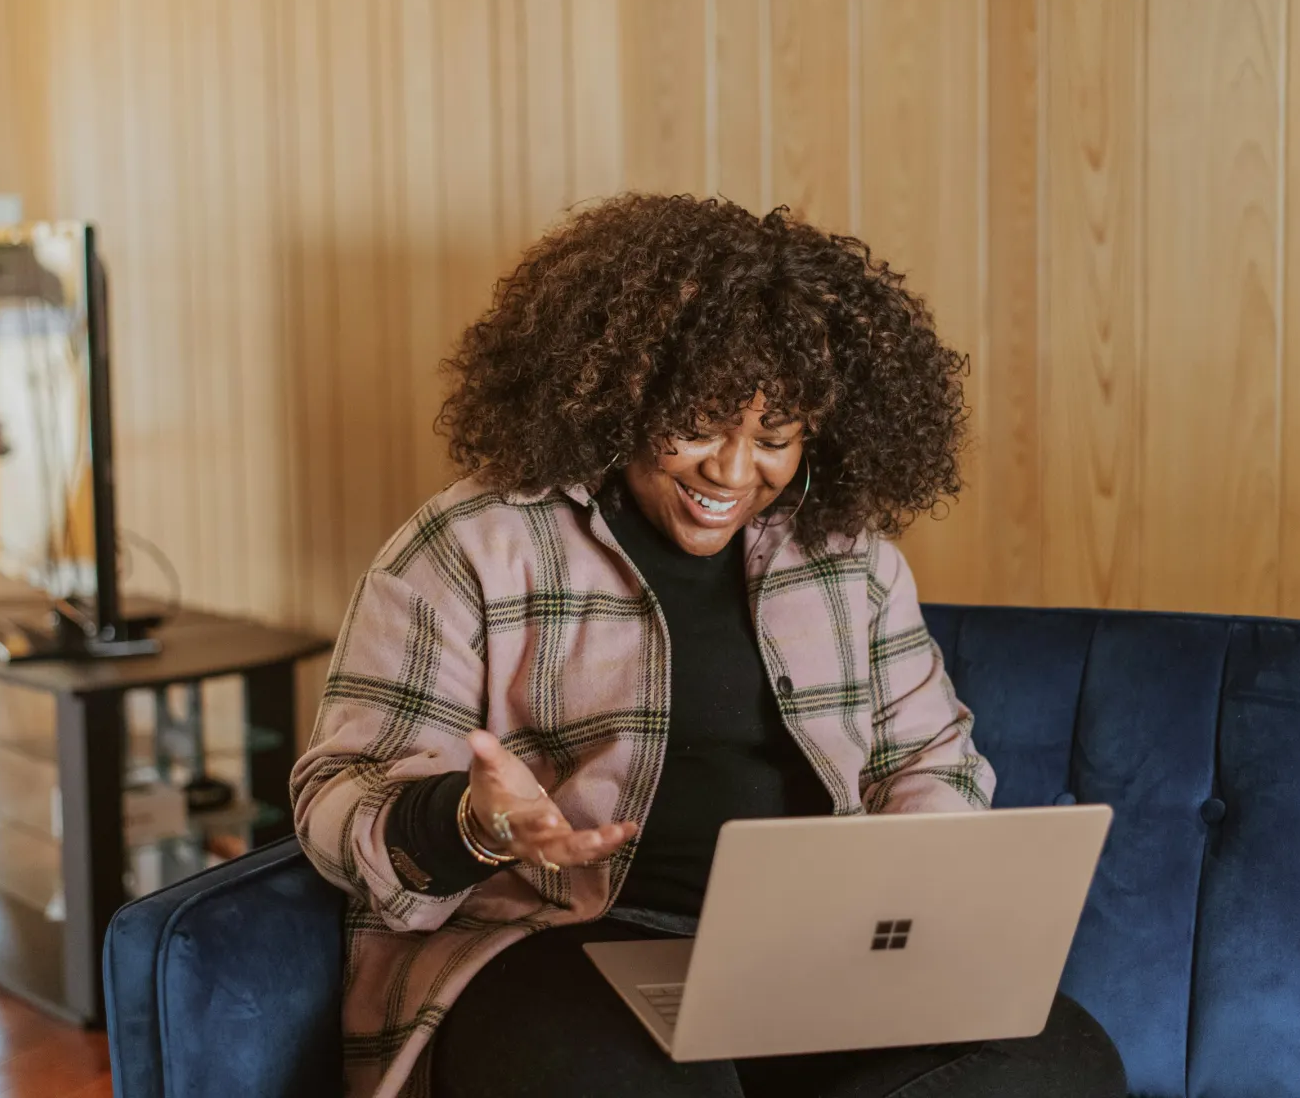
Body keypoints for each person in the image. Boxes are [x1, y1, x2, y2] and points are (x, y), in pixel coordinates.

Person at [290, 194, 1126, 1098]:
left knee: (1059, 1064)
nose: (732, 473)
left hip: (808, 958)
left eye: (773, 439)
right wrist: (470, 820)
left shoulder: (854, 561)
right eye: (697, 426)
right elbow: (336, 798)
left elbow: (928, 762)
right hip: (553, 947)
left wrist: (907, 898)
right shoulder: (474, 546)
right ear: (621, 395)